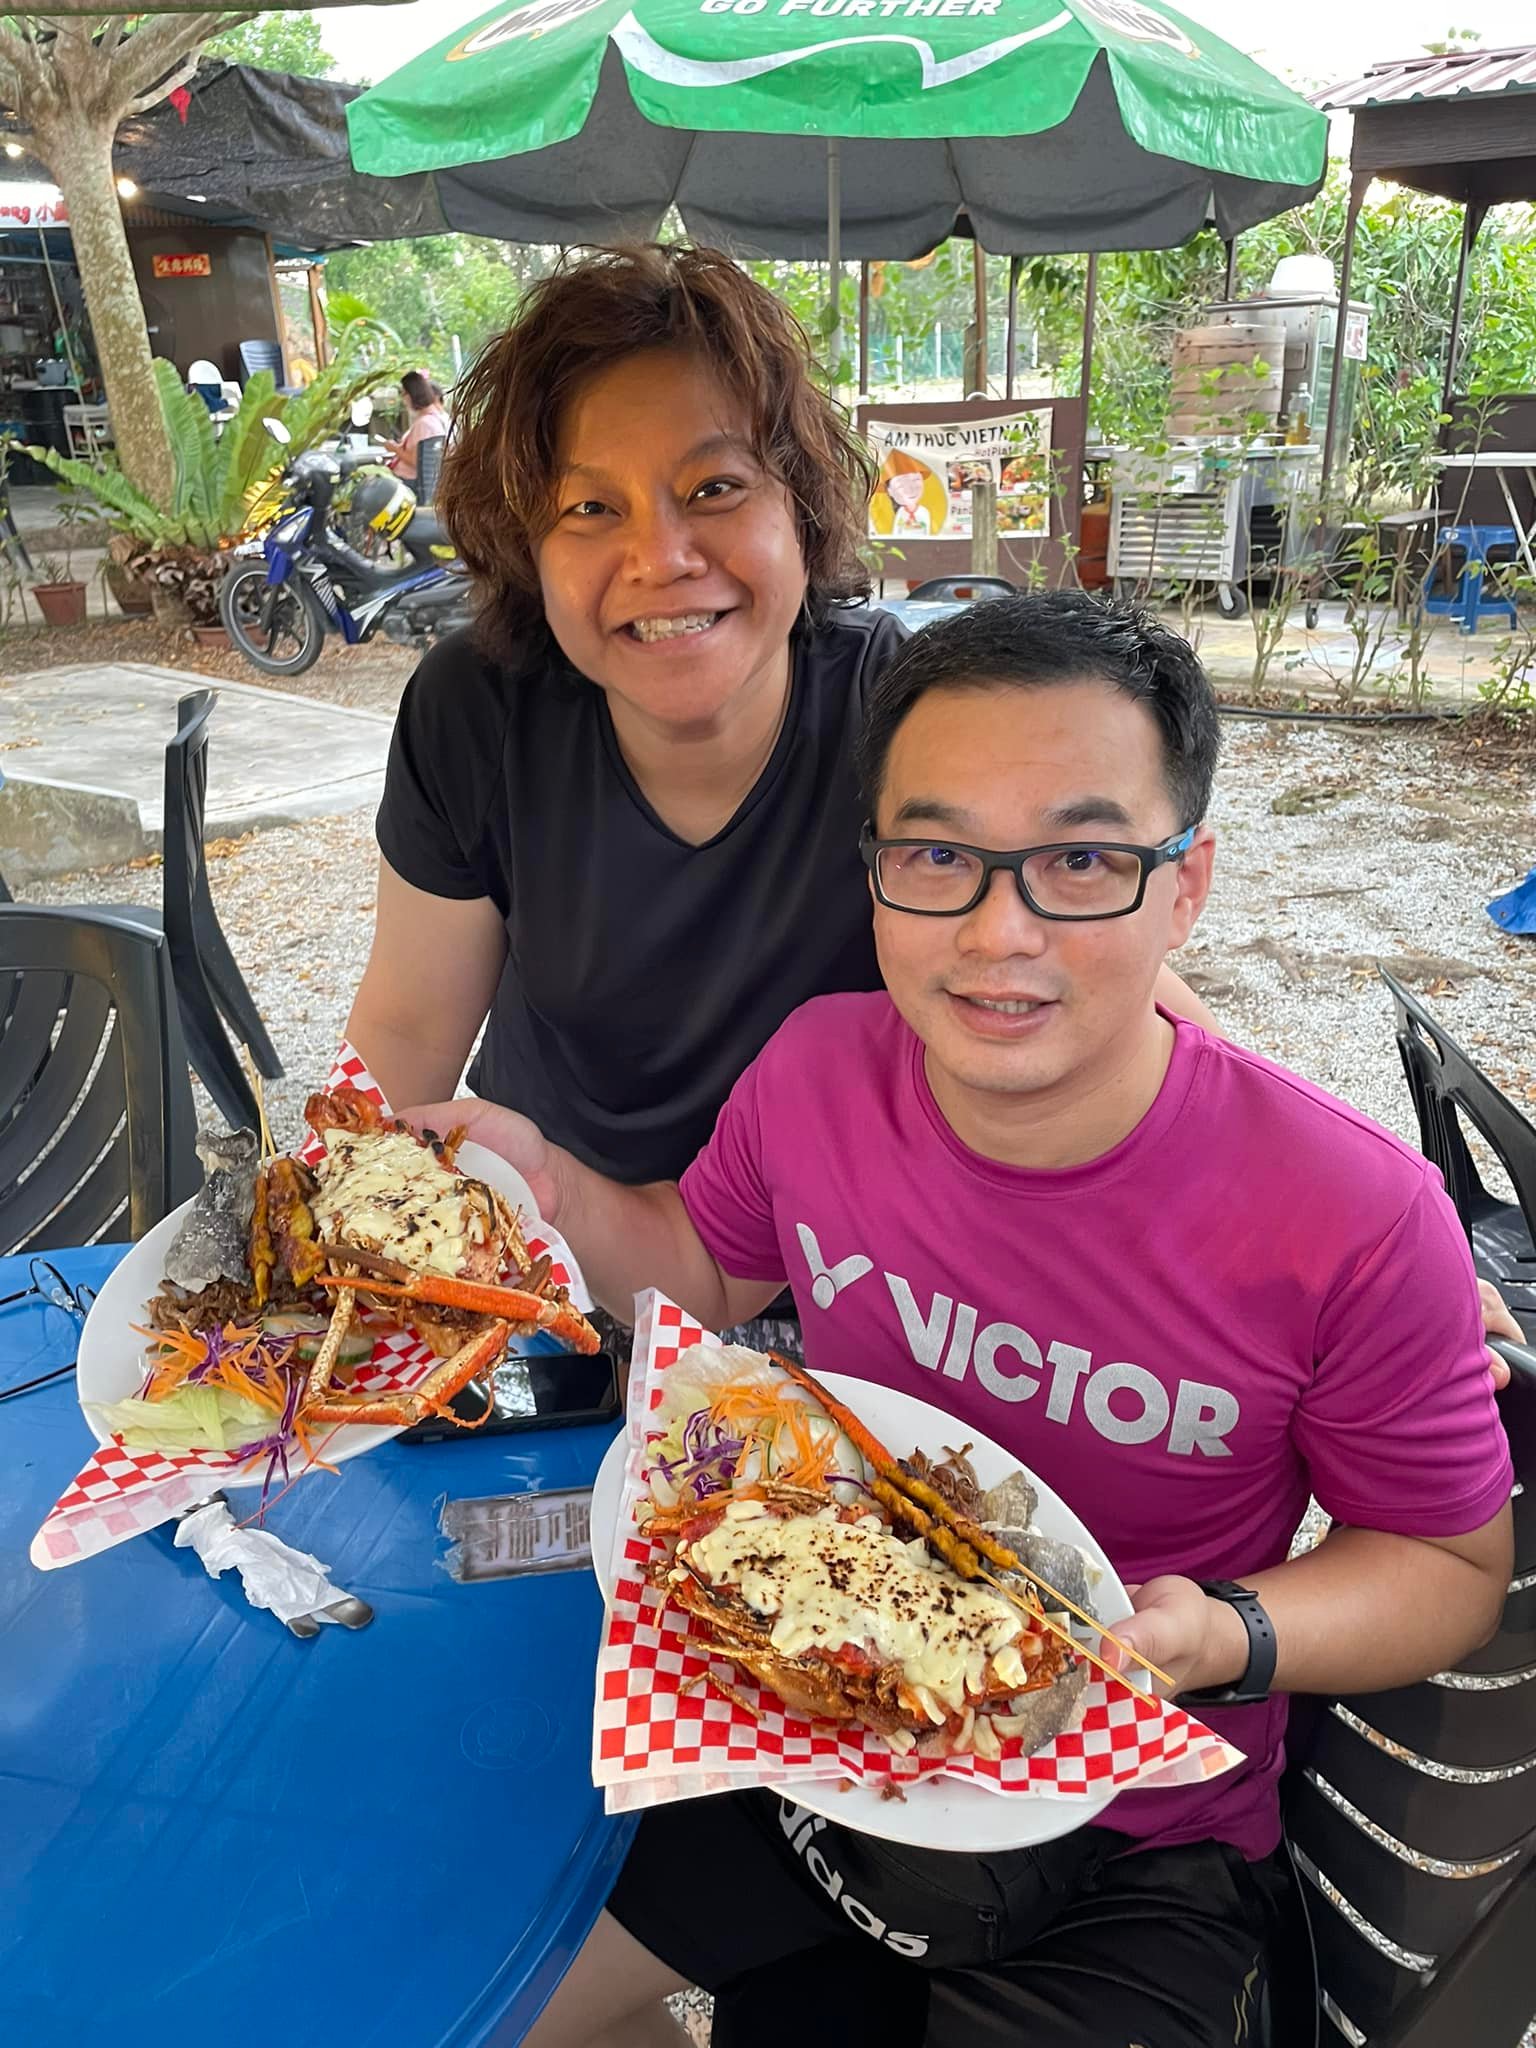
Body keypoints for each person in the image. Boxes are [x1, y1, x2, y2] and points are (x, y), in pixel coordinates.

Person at [423, 592, 1515, 2048]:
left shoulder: (1355, 1213)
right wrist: (548, 1181)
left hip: (1135, 1821)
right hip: (816, 1722)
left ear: (1185, 886)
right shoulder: (817, 1072)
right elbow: (693, 1263)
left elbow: (1443, 1563)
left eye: (1080, 859)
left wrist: (1223, 1632)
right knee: (474, 2003)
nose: (1000, 934)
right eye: (937, 855)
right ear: (874, 873)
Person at [346, 244, 1220, 1199]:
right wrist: (317, 1246)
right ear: (529, 547)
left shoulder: (904, 710)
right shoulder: (477, 707)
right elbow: (409, 1031)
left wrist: (1289, 1166)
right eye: (591, 506)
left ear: (800, 509)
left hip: (837, 1249)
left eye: (714, 489)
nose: (661, 557)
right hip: (557, 1232)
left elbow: (1091, 958)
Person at [383, 368, 450, 486]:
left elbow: (417, 461)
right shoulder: (435, 418)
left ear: (411, 395)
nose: (403, 399)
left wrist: (395, 449)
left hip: (409, 482)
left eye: (403, 394)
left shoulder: (425, 424)